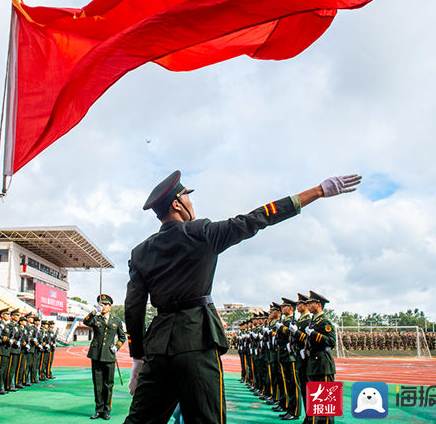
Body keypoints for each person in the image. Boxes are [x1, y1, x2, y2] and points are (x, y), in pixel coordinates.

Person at [124, 171, 361, 424]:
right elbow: (257, 218)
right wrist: (317, 191)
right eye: (187, 197)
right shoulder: (201, 233)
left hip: (158, 347)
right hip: (197, 339)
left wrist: (138, 357)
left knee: (141, 420)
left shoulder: (140, 252)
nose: (191, 203)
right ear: (176, 203)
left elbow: (133, 309)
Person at [84, 294, 126, 420]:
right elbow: (85, 322)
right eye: (100, 304)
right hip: (96, 355)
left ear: (110, 306)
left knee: (108, 384)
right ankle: (98, 409)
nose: (102, 306)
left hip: (109, 355)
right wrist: (93, 312)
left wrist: (117, 347)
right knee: (97, 384)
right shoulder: (96, 319)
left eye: (105, 304)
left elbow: (122, 337)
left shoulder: (116, 320)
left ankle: (107, 410)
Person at [302, 291, 336, 424]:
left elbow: (331, 341)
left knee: (326, 400)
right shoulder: (313, 321)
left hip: (323, 363)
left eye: (311, 303)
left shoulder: (324, 321)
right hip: (313, 362)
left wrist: (314, 334)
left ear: (319, 304)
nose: (308, 305)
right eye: (308, 303)